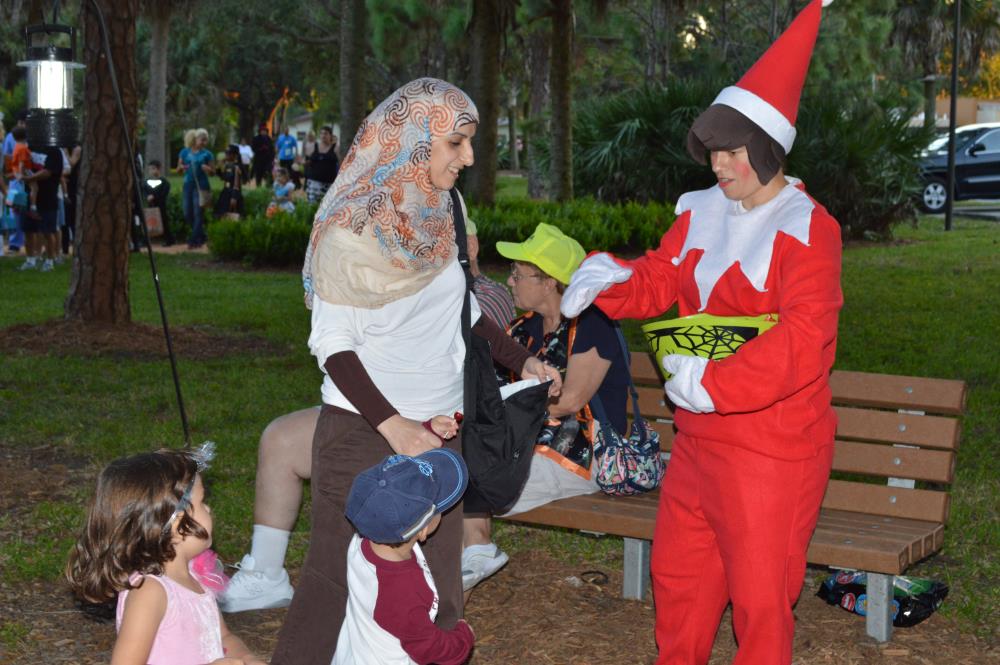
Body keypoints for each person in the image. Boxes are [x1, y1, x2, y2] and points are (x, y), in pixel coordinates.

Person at [560, 3, 841, 663]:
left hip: (771, 448)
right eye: (713, 151)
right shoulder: (700, 212)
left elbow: (804, 340)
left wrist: (717, 384)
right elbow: (662, 276)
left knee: (760, 603)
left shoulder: (807, 228)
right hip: (697, 440)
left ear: (768, 149)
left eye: (733, 151)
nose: (718, 164)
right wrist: (611, 279)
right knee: (680, 581)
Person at [269, 77, 560, 665]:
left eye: (470, 142)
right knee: (333, 584)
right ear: (412, 141)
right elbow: (333, 345)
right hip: (363, 433)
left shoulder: (445, 207)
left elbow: (464, 310)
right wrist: (394, 426)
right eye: (456, 142)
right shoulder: (350, 228)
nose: (469, 157)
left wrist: (521, 358)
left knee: (440, 587)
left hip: (442, 431)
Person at [218, 219, 515, 614]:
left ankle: (427, 585)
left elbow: (471, 337)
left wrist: (521, 361)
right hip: (368, 408)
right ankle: (266, 571)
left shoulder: (474, 291)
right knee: (282, 439)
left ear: (467, 242)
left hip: (428, 418)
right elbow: (339, 341)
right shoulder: (385, 263)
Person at [461, 223, 631, 592]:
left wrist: (505, 415)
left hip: (579, 454)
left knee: (467, 484)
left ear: (549, 281)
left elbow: (570, 401)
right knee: (457, 472)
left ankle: (468, 565)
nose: (509, 281)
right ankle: (473, 558)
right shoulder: (523, 328)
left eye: (517, 273)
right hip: (525, 444)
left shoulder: (593, 325)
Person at [65, 446, 266, 665]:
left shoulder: (196, 576)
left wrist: (246, 657)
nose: (208, 509)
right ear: (177, 526)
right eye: (201, 503)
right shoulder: (150, 592)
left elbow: (224, 637)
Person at [334, 448, 474, 665]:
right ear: (423, 530)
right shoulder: (403, 591)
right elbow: (429, 648)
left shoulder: (363, 539)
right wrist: (463, 638)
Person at [17, 143, 63, 271]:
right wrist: (22, 173)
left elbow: (47, 172)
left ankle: (49, 261)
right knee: (28, 230)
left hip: (47, 198)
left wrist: (29, 178)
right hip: (28, 196)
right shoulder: (28, 148)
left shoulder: (53, 150)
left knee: (47, 232)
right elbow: (20, 164)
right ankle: (30, 260)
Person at [176, 128, 214, 248]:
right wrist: (181, 168)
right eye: (202, 140)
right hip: (188, 185)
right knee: (187, 213)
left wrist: (208, 169)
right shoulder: (184, 152)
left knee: (198, 213)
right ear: (195, 139)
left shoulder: (207, 154)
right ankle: (201, 236)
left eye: (206, 140)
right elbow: (178, 170)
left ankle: (193, 241)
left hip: (201, 186)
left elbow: (213, 172)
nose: (204, 142)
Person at [303, 125, 339, 203]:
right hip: (314, 181)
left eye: (325, 133)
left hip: (329, 182)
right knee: (313, 205)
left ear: (330, 135)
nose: (323, 135)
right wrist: (303, 163)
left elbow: (342, 163)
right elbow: (308, 161)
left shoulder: (336, 148)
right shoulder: (313, 146)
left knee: (327, 205)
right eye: (321, 133)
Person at [145, 160, 174, 246]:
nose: (151, 171)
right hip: (151, 205)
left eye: (153, 168)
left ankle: (169, 239)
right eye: (150, 169)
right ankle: (147, 239)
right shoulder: (147, 182)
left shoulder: (164, 182)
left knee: (164, 221)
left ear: (158, 169)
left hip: (161, 205)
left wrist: (154, 196)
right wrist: (147, 196)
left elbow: (164, 193)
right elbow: (145, 191)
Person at [215, 145, 245, 219]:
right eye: (226, 153)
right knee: (221, 214)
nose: (226, 155)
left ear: (235, 155)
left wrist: (234, 197)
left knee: (232, 215)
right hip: (226, 191)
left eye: (229, 153)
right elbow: (224, 178)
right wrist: (218, 169)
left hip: (232, 193)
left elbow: (236, 183)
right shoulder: (227, 166)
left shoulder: (236, 167)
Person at [250, 124, 275, 188]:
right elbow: (253, 148)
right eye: (262, 131)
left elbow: (272, 150)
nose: (263, 132)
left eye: (265, 131)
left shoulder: (269, 139)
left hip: (267, 161)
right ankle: (259, 188)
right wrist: (260, 149)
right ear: (260, 131)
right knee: (258, 175)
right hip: (258, 160)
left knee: (268, 174)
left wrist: (272, 159)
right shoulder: (256, 139)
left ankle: (269, 187)